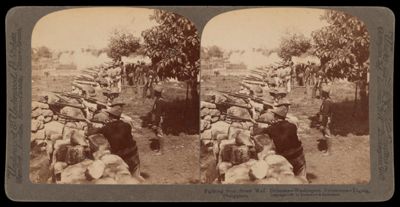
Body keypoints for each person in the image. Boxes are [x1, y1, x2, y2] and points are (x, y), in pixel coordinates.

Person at [250, 105, 307, 181]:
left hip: (286, 157)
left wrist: (255, 124)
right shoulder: (292, 125)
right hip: (299, 154)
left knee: (288, 180)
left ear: (275, 116)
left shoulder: (272, 128)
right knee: (302, 178)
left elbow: (256, 132)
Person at [86, 105, 142, 179]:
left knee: (125, 179)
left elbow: (91, 133)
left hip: (121, 157)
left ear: (110, 116)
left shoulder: (106, 128)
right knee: (136, 177)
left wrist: (89, 125)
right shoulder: (127, 125)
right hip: (133, 153)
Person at [150, 85, 166, 155]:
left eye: (155, 91)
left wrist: (155, 124)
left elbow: (158, 114)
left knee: (160, 134)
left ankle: (161, 151)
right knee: (157, 133)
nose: (154, 92)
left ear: (157, 92)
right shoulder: (158, 99)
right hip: (157, 118)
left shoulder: (160, 101)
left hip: (158, 119)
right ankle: (159, 148)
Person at [318, 84, 333, 156]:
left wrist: (323, 125)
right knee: (325, 134)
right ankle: (327, 149)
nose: (321, 93)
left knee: (327, 135)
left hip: (326, 121)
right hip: (325, 120)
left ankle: (329, 152)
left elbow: (325, 115)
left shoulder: (327, 102)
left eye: (322, 92)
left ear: (325, 93)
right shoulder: (326, 100)